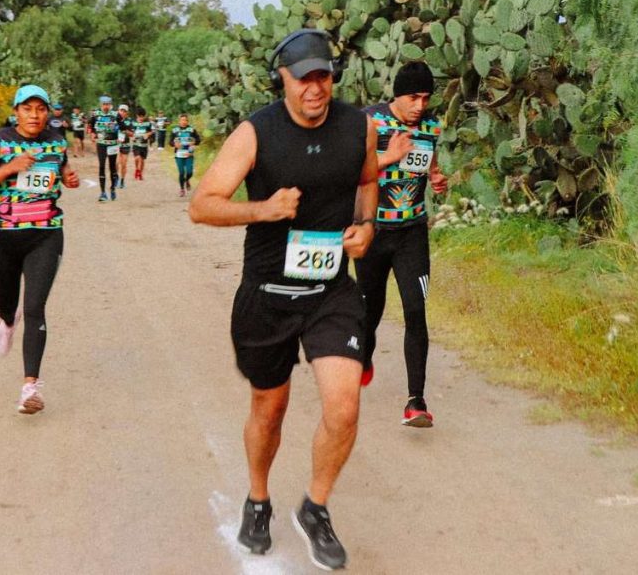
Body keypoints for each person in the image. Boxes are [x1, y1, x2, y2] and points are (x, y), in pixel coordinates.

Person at [189, 29, 378, 571]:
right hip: (267, 293)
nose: (315, 88)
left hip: (330, 291)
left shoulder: (359, 127)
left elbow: (368, 181)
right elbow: (202, 206)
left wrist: (365, 226)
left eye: (323, 76)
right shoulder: (256, 133)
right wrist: (263, 210)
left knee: (344, 406)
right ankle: (257, 498)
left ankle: (315, 508)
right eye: (304, 79)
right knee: (269, 409)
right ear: (284, 79)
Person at [0, 84, 80, 414]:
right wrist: (9, 168)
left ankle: (30, 387)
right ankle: (7, 319)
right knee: (7, 303)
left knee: (35, 307)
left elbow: (62, 168)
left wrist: (69, 177)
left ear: (47, 112)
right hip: (3, 238)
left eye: (40, 109)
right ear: (16, 111)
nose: (34, 115)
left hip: (45, 235)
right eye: (27, 108)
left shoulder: (56, 141)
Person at [357, 61, 448, 427]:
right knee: (371, 310)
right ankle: (363, 356)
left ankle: (416, 401)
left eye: (426, 98)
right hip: (373, 231)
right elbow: (350, 170)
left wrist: (438, 179)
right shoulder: (371, 122)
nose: (420, 106)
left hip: (412, 233)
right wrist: (390, 157)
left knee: (415, 310)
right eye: (414, 97)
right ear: (398, 95)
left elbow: (430, 166)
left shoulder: (431, 127)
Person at [90, 95, 122, 201]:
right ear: (101, 105)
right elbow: (91, 126)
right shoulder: (95, 115)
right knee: (102, 166)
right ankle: (103, 192)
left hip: (112, 144)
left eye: (107, 104)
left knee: (112, 167)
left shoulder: (116, 115)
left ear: (110, 105)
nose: (105, 106)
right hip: (101, 144)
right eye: (104, 104)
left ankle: (112, 188)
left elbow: (123, 127)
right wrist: (93, 134)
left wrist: (120, 137)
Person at [169, 114, 201, 197]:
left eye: (185, 120)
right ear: (179, 121)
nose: (184, 122)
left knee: (190, 172)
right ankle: (182, 189)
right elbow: (170, 142)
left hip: (189, 153)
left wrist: (194, 142)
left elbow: (198, 140)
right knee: (181, 172)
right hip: (179, 154)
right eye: (182, 120)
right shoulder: (174, 130)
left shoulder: (192, 130)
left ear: (187, 121)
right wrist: (175, 144)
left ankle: (187, 180)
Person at [130, 106, 154, 180]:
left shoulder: (147, 124)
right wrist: (132, 136)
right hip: (136, 144)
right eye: (140, 116)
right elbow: (130, 132)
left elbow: (151, 131)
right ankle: (137, 169)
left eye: (142, 116)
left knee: (142, 159)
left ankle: (140, 173)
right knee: (137, 158)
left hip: (144, 145)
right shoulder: (133, 123)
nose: (141, 118)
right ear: (137, 115)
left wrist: (147, 134)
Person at [116, 103, 133, 189]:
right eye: (121, 110)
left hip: (125, 144)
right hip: (116, 144)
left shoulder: (129, 121)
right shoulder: (114, 120)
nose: (122, 112)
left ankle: (122, 180)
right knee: (115, 163)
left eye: (124, 111)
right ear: (118, 111)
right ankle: (116, 178)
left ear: (127, 113)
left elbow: (131, 134)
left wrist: (124, 131)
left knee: (123, 164)